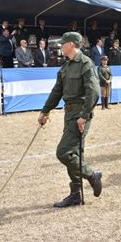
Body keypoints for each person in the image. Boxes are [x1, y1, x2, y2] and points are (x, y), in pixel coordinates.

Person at [37, 31, 102, 208]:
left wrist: (84, 116)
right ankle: (75, 194)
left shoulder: (85, 64)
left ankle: (91, 175)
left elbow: (93, 92)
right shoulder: (65, 67)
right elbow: (57, 91)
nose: (60, 46)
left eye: (63, 43)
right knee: (75, 153)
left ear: (72, 44)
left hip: (80, 113)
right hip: (69, 113)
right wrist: (45, 111)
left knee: (64, 152)